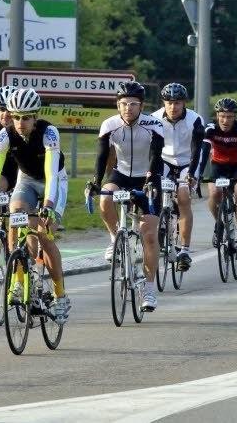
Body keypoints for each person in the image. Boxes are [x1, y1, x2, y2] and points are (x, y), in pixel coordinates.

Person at [0, 88, 71, 324]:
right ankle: (17, 282)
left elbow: (50, 171)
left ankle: (60, 296)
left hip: (53, 181)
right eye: (16, 116)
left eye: (26, 117)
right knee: (15, 214)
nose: (20, 122)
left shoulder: (49, 133)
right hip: (26, 180)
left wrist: (47, 205)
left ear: (35, 117)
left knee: (44, 236)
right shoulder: (4, 136)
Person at [93, 81, 165, 311]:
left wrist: (151, 180)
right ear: (117, 105)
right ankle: (115, 238)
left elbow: (157, 155)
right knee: (105, 199)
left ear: (142, 105)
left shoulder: (153, 124)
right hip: (121, 174)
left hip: (148, 176)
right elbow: (102, 155)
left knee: (149, 236)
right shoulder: (109, 125)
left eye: (133, 104)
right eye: (123, 104)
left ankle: (149, 290)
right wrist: (96, 181)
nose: (128, 108)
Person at [150, 83, 204, 271]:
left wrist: (191, 174)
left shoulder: (195, 119)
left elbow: (197, 151)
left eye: (178, 103)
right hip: (164, 160)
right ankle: (159, 228)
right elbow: (151, 150)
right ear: (163, 103)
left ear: (184, 104)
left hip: (188, 161)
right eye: (169, 103)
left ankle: (184, 251)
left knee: (182, 197)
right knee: (153, 193)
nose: (173, 107)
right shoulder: (154, 118)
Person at [199, 98, 237, 258]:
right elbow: (204, 149)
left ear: (235, 117)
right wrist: (199, 173)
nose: (225, 120)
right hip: (218, 166)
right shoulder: (210, 127)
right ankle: (219, 223)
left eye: (229, 117)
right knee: (215, 193)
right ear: (217, 115)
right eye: (222, 116)